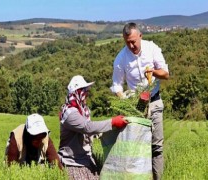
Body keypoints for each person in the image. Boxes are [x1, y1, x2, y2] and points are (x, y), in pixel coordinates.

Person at [110, 22, 169, 180]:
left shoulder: (152, 48)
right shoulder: (121, 59)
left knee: (156, 146)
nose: (131, 45)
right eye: (127, 42)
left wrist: (153, 72)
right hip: (135, 107)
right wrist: (125, 102)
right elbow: (116, 86)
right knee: (137, 147)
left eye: (134, 41)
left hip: (154, 102)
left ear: (140, 36)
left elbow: (166, 74)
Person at [58, 75, 128, 180]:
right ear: (78, 92)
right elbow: (87, 127)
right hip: (73, 163)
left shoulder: (83, 111)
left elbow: (90, 130)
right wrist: (112, 122)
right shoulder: (70, 113)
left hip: (86, 160)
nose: (87, 93)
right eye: (85, 91)